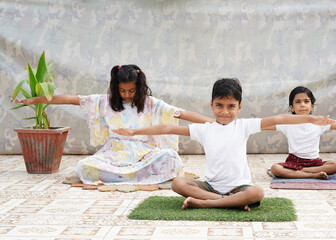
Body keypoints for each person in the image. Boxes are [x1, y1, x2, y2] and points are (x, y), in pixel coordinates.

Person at [113, 78, 335, 211]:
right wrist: (134, 131)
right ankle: (228, 202)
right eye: (219, 105)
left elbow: (279, 119)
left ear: (239, 107)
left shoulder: (244, 126)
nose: (225, 111)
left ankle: (208, 204)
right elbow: (166, 128)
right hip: (210, 187)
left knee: (257, 191)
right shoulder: (204, 129)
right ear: (211, 104)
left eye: (231, 106)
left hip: (240, 187)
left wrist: (311, 119)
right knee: (178, 183)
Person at [14, 64, 213, 185]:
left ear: (139, 87)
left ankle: (123, 176)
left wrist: (214, 122)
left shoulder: (151, 104)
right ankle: (133, 176)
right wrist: (37, 100)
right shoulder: (105, 101)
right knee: (84, 167)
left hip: (144, 152)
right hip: (114, 153)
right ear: (116, 88)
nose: (126, 95)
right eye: (122, 91)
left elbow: (182, 113)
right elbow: (71, 99)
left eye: (131, 91)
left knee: (171, 158)